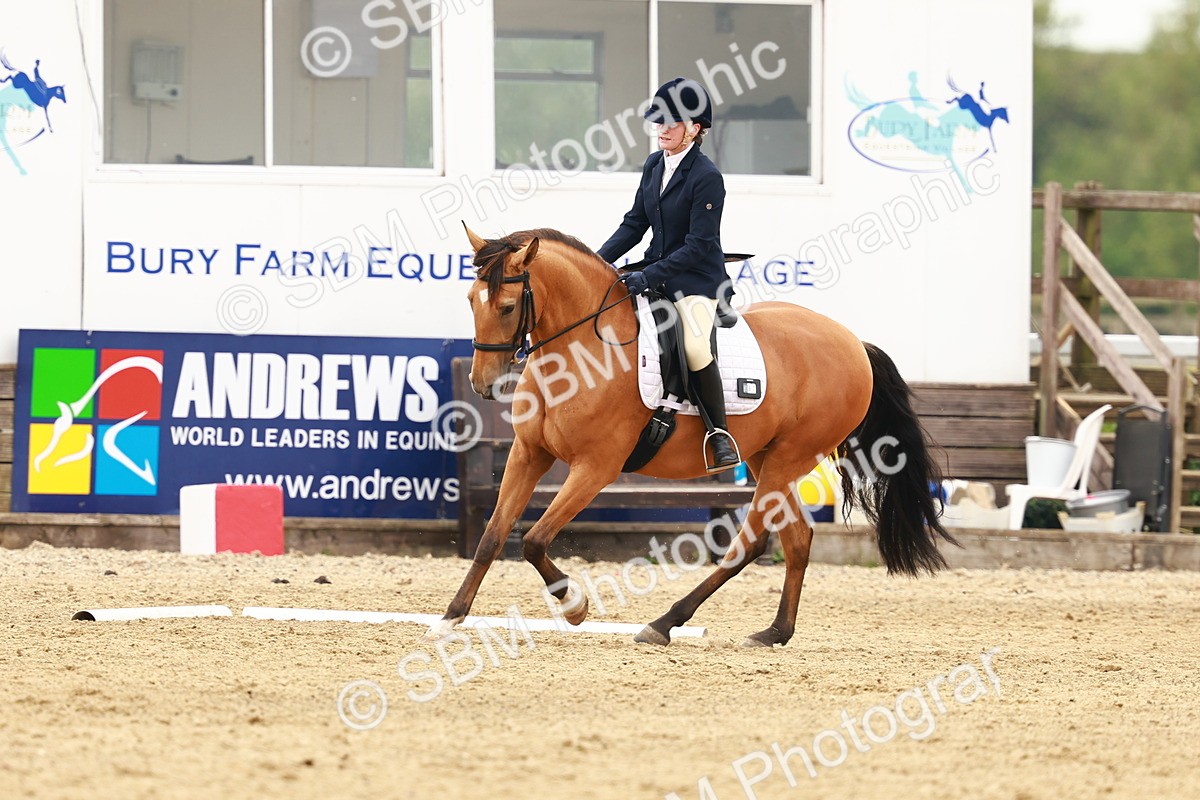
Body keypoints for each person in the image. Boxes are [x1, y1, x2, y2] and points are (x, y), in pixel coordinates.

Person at [597, 77, 739, 473]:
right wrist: (595, 263)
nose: (662, 129)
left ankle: (719, 433)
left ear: (695, 129)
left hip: (695, 282)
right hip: (654, 274)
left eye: (672, 123)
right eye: (658, 121)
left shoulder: (706, 176)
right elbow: (635, 223)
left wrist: (649, 274)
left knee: (695, 348)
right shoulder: (654, 164)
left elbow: (698, 244)